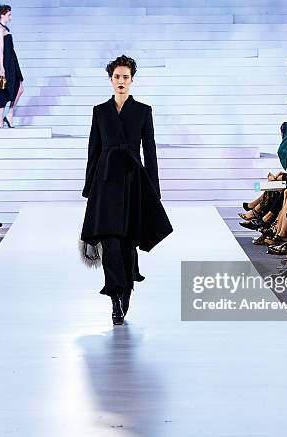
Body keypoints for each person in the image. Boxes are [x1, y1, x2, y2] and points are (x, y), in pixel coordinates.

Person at [80, 55, 173, 326]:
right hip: (106, 182)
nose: (121, 81)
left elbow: (150, 151)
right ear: (111, 79)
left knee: (128, 240)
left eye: (126, 77)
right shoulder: (100, 111)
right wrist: (89, 188)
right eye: (117, 76)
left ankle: (127, 287)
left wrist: (153, 189)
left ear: (132, 79)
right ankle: (115, 298)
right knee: (109, 241)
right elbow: (93, 150)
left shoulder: (143, 111)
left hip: (134, 181)